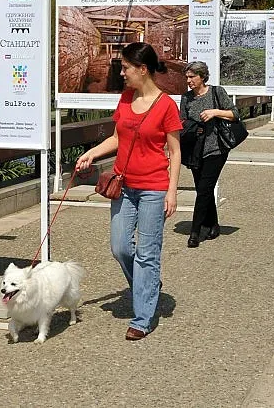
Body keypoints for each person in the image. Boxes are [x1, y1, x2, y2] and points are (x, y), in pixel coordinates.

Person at [75, 42, 182, 341]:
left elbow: (175, 151)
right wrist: (92, 154)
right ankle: (148, 287)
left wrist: (172, 192)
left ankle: (142, 318)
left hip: (153, 189)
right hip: (123, 185)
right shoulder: (125, 98)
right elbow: (117, 138)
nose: (121, 73)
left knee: (147, 254)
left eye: (125, 68)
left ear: (142, 69)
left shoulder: (166, 106)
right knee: (120, 247)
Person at [179, 61, 237, 248]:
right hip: (196, 150)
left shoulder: (216, 92)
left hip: (216, 148)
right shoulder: (186, 98)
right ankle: (213, 224)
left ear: (202, 76)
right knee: (202, 188)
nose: (188, 81)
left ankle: (195, 232)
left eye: (192, 77)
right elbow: (182, 122)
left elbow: (234, 114)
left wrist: (215, 112)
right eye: (187, 77)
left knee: (204, 189)